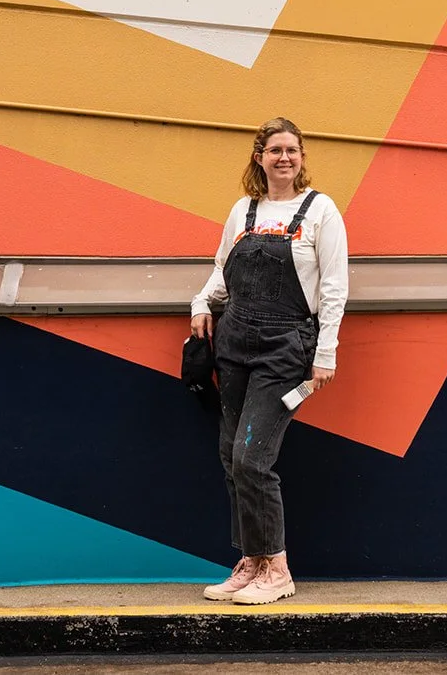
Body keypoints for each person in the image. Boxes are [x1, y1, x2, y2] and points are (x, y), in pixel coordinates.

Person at [190, 116, 349, 604]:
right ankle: (251, 562)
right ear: (259, 157)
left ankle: (277, 570)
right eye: (275, 150)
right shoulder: (244, 210)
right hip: (233, 343)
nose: (284, 158)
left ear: (302, 158)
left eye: (292, 150)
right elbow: (221, 273)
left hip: (286, 349)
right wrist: (199, 304)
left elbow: (334, 287)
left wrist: (325, 354)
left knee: (251, 457)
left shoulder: (321, 210)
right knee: (228, 455)